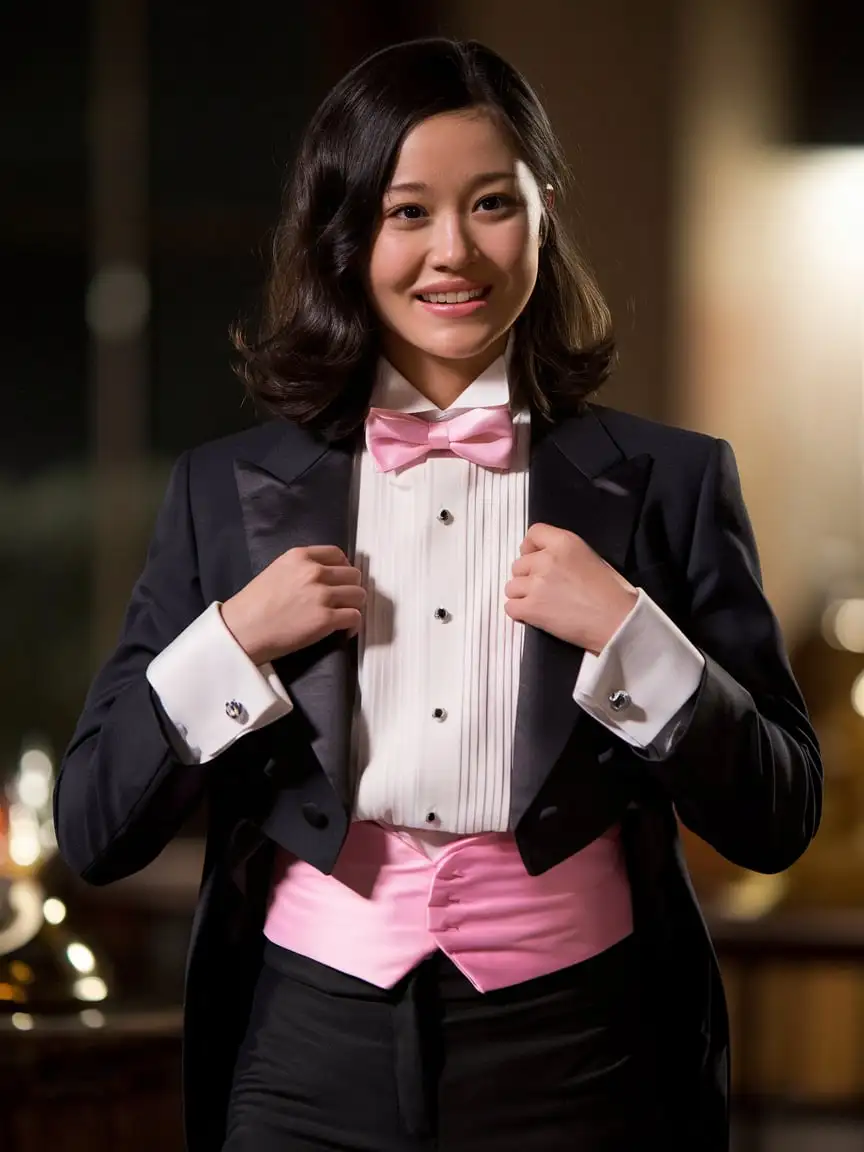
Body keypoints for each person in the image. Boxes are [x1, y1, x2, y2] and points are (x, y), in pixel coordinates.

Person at [54, 37, 822, 1152]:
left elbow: (778, 816)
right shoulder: (223, 493)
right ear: (346, 231)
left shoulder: (674, 482)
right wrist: (233, 643)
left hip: (581, 1050)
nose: (452, 252)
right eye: (406, 212)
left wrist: (632, 636)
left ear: (544, 212)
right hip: (305, 1048)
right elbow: (95, 827)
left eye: (491, 204)